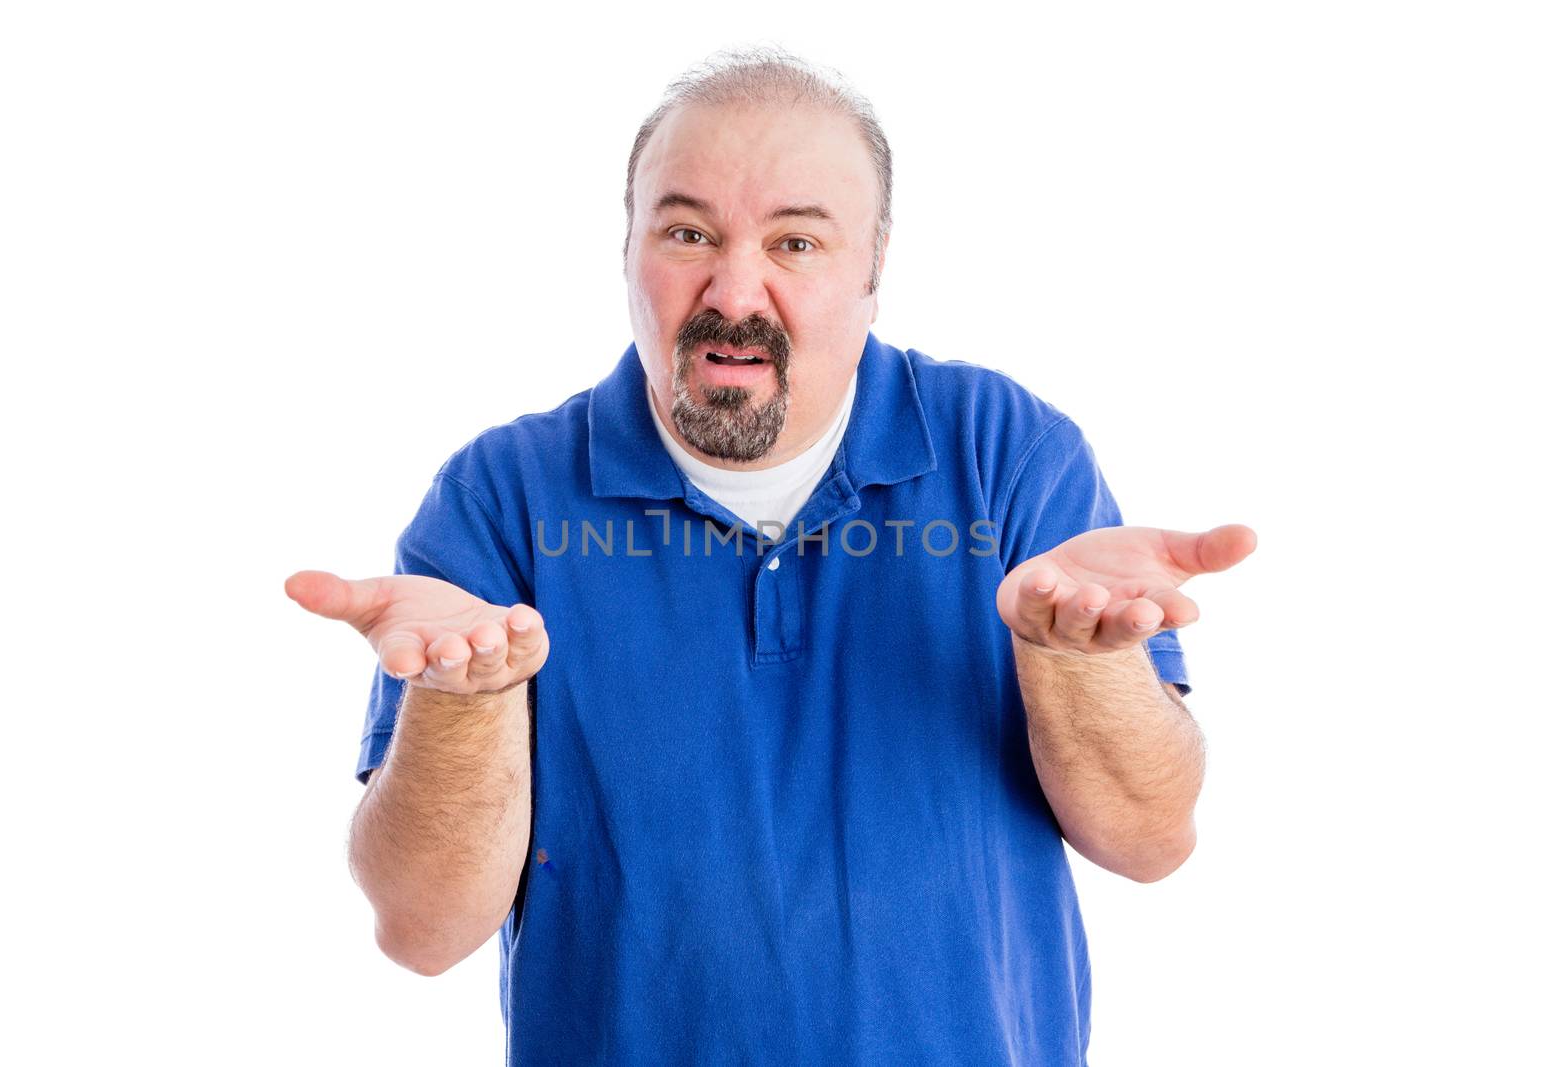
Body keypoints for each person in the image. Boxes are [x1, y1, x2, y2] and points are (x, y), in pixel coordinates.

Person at [286, 47, 1256, 1065]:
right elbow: (420, 930)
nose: (734, 290)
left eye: (794, 241)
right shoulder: (503, 495)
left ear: (872, 269)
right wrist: (460, 704)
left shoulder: (1004, 451)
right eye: (687, 231)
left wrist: (1081, 659)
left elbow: (1151, 842)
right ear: (628, 249)